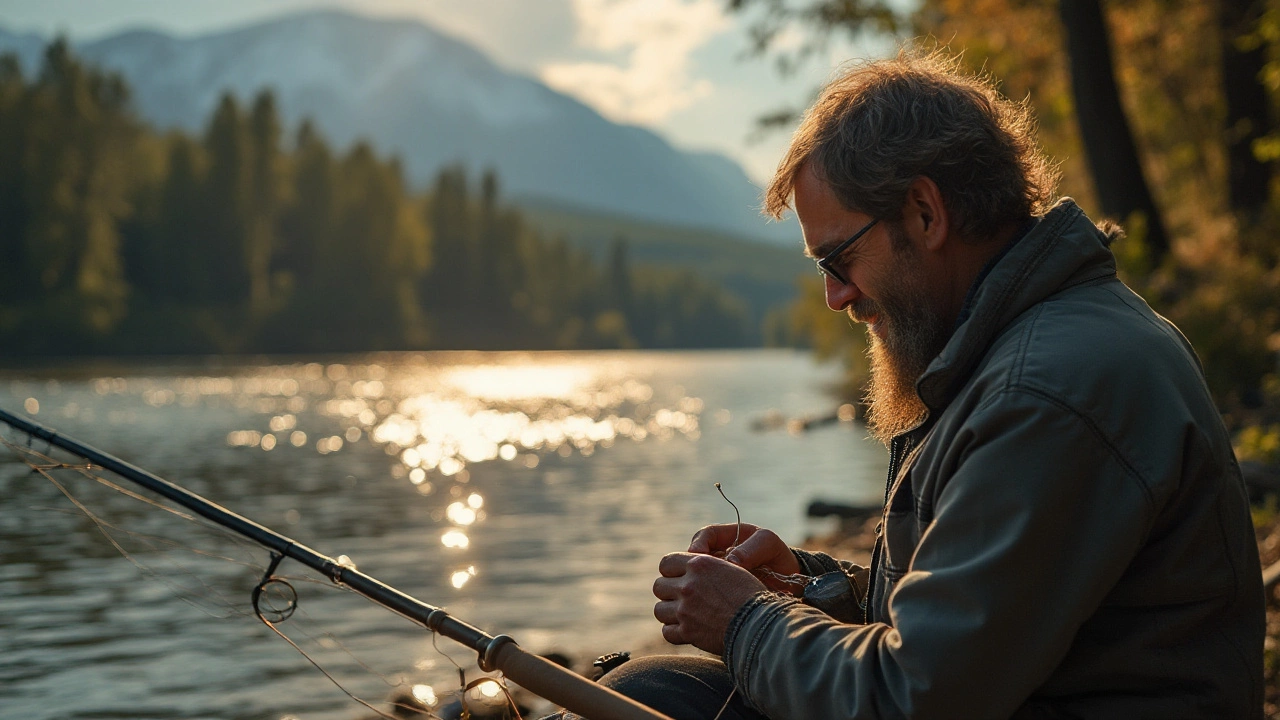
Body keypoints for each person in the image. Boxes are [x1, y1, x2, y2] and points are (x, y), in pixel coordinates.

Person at [564, 49, 1266, 720]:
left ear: (926, 214)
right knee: (659, 689)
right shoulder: (1029, 353)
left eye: (838, 258)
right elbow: (981, 623)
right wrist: (812, 590)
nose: (836, 297)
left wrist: (745, 620)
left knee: (650, 699)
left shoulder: (1047, 394)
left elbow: (917, 699)